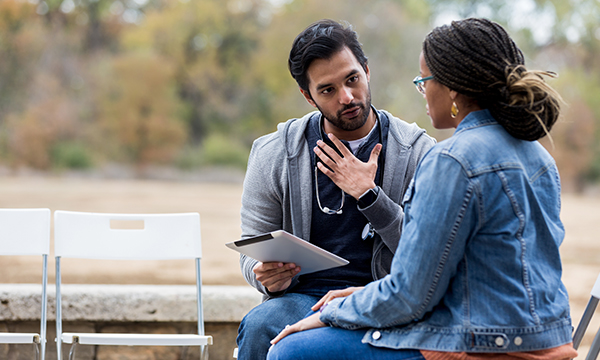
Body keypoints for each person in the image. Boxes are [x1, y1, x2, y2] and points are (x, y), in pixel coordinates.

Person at [268, 18, 577, 360]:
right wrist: (357, 297)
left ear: (453, 89)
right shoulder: (537, 154)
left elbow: (410, 297)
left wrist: (331, 313)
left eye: (424, 81)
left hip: (481, 346)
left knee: (291, 351)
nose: (424, 92)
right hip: (547, 341)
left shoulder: (451, 160)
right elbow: (477, 274)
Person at [236, 19, 436, 359]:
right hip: (304, 299)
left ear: (367, 70)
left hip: (384, 297)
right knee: (260, 326)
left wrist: (370, 196)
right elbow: (251, 249)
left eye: (352, 79)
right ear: (307, 95)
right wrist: (266, 277)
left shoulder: (417, 151)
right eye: (327, 90)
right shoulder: (273, 153)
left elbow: (428, 255)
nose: (347, 97)